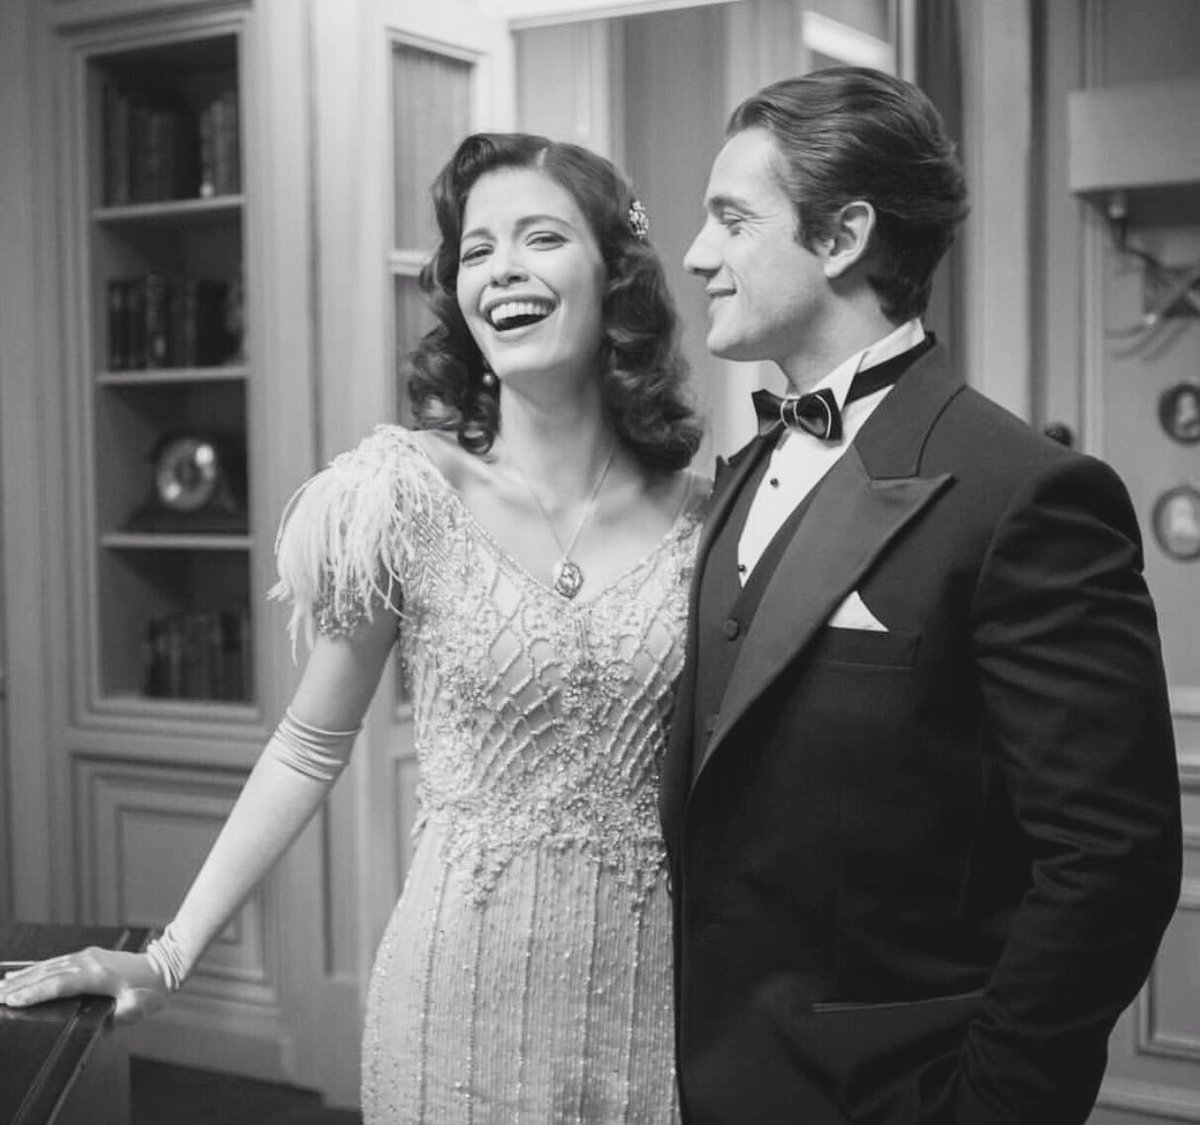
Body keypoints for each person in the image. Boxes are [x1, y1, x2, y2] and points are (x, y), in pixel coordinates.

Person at [1, 132, 706, 1123]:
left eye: (541, 238)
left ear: (615, 274)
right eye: (476, 249)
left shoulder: (711, 517)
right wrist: (169, 954)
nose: (502, 268)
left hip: (651, 1008)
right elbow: (307, 744)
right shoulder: (401, 494)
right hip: (450, 1011)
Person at [660, 66, 1182, 1125]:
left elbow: (1111, 862)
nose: (698, 254)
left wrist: (988, 1106)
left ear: (842, 236)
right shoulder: (744, 470)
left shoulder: (1027, 494)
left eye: (732, 219)